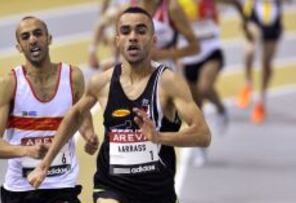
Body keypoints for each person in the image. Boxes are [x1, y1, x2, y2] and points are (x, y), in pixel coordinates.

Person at [28, 7, 211, 203]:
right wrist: (45, 164)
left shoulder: (169, 83)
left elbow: (203, 135)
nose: (133, 37)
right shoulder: (102, 83)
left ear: (153, 40)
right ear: (117, 41)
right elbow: (75, 115)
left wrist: (158, 137)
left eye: (141, 31)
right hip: (112, 186)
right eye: (125, 31)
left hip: (157, 192)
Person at [0, 16, 98, 203]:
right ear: (19, 47)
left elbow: (81, 119)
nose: (32, 39)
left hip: (61, 186)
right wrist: (26, 151)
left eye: (38, 33)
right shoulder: (9, 83)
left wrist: (89, 137)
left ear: (49, 39)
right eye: (25, 36)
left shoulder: (72, 77)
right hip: (21, 189)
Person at [176, 0, 246, 166]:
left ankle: (221, 109)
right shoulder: (176, 3)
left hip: (211, 49)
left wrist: (245, 23)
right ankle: (201, 149)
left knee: (205, 87)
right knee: (196, 107)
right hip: (189, 56)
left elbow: (236, 3)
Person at [237, 0, 285, 124]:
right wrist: (244, 20)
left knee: (266, 64)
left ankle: (261, 101)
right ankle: (248, 84)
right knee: (249, 52)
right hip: (255, 17)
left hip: (273, 23)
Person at [139, 0, 200, 72]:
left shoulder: (172, 7)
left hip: (164, 70)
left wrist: (161, 54)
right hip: (136, 72)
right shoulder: (130, 7)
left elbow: (195, 47)